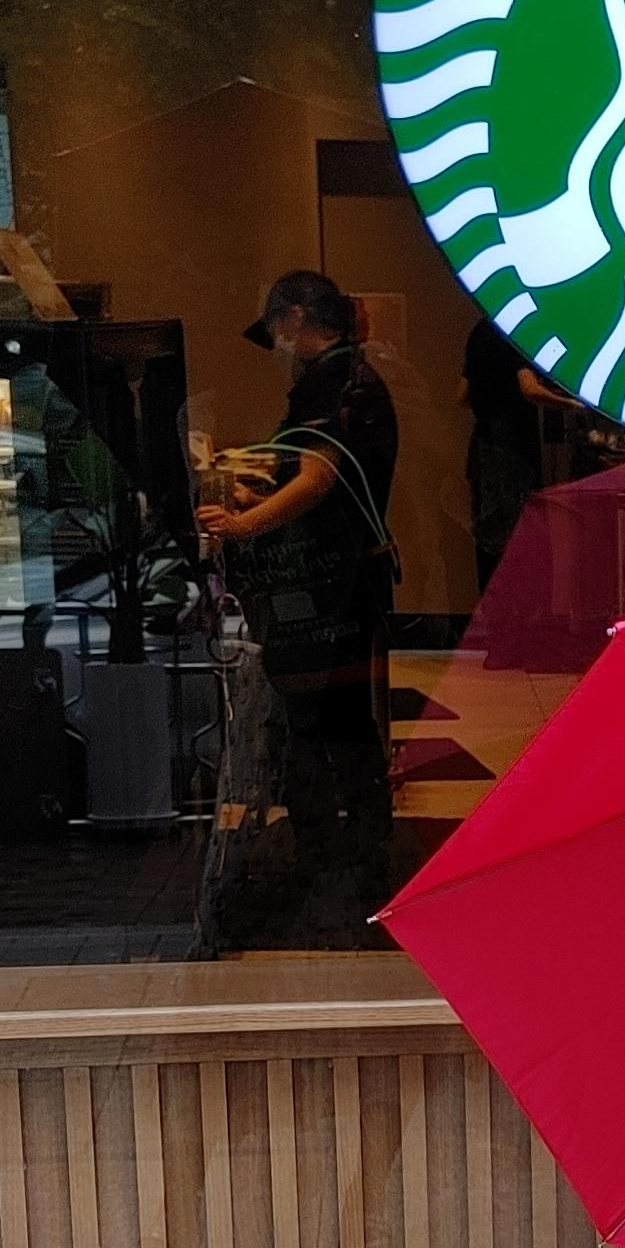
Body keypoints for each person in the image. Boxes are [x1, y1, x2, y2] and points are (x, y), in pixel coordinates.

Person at [197, 270, 399, 946]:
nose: (278, 343)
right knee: (342, 723)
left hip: (329, 586)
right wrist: (256, 496)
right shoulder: (348, 377)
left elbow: (316, 480)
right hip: (343, 579)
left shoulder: (334, 381)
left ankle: (333, 865)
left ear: (295, 317)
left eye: (278, 328)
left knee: (316, 725)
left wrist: (242, 524)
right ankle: (360, 856)